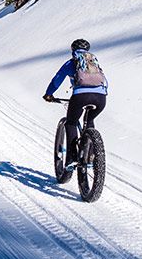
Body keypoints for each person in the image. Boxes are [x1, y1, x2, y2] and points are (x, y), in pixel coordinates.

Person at [43, 38, 107, 168]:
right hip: (100, 98)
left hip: (80, 96)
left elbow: (57, 80)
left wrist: (49, 94)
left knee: (71, 122)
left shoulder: (71, 63)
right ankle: (90, 153)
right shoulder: (94, 63)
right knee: (89, 120)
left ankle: (72, 157)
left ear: (73, 50)